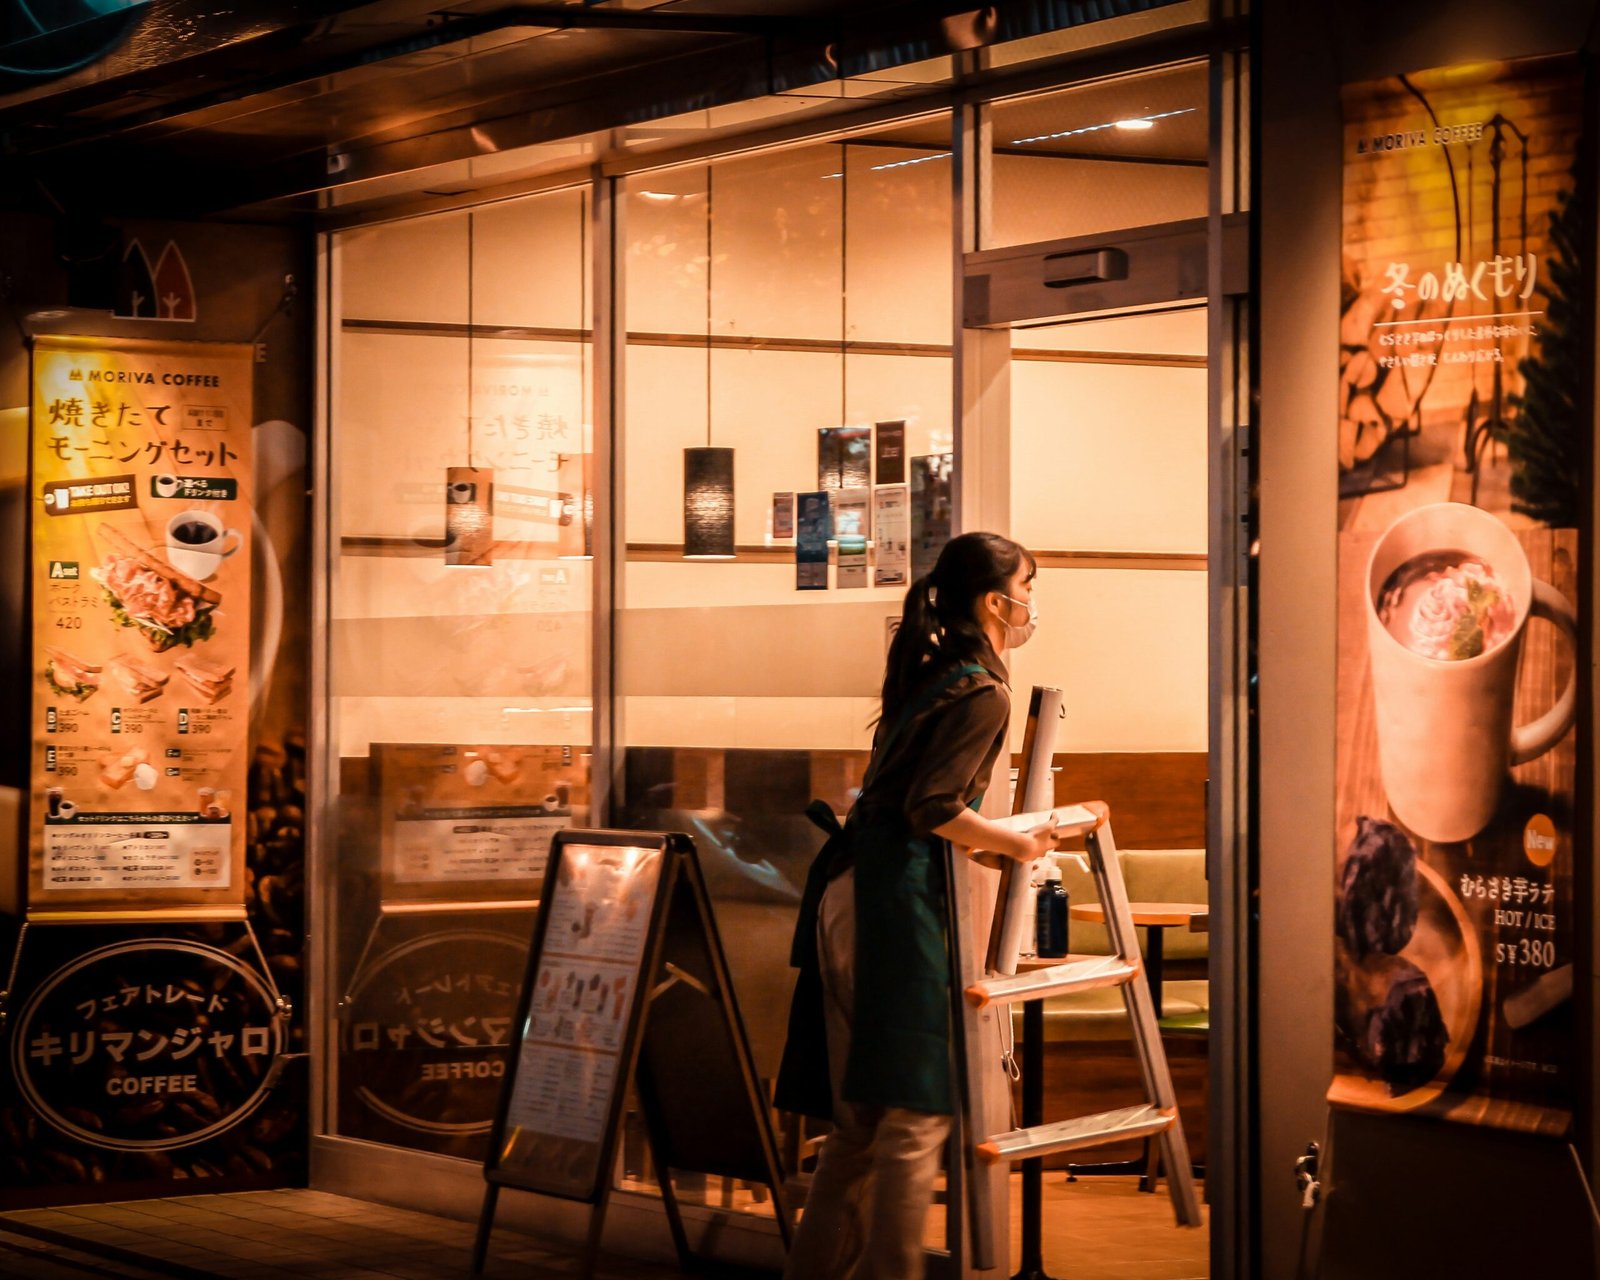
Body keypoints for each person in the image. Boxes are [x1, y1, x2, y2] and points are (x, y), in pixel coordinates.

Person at [775, 531, 1061, 1280]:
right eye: (1029, 584)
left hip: (849, 891)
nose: (1033, 601)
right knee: (916, 1113)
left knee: (863, 1120)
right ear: (997, 599)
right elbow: (931, 807)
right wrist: (1015, 843)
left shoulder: (937, 673)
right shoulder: (984, 691)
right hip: (892, 906)